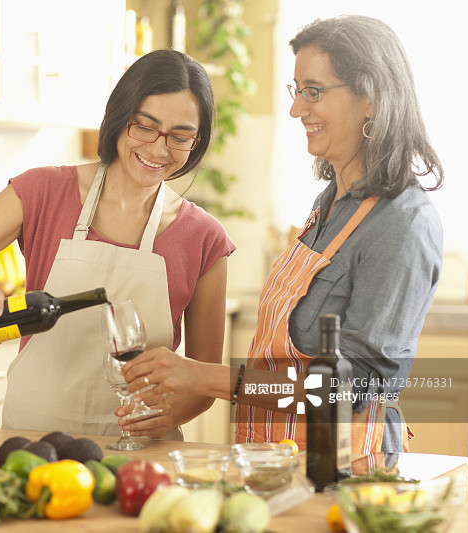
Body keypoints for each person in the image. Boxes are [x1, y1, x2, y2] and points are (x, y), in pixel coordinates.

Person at [120, 15, 443, 454]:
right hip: (276, 459)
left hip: (344, 469)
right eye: (297, 91)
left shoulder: (402, 222)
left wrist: (204, 377)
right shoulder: (329, 203)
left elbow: (349, 391)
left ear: (371, 98)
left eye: (314, 91)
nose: (296, 109)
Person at [0, 49, 236, 439]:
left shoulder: (204, 237)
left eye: (179, 137)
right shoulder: (43, 191)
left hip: (140, 449)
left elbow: (204, 379)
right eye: (145, 127)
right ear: (120, 117)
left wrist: (168, 415)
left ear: (197, 141)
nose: (158, 149)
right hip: (33, 441)